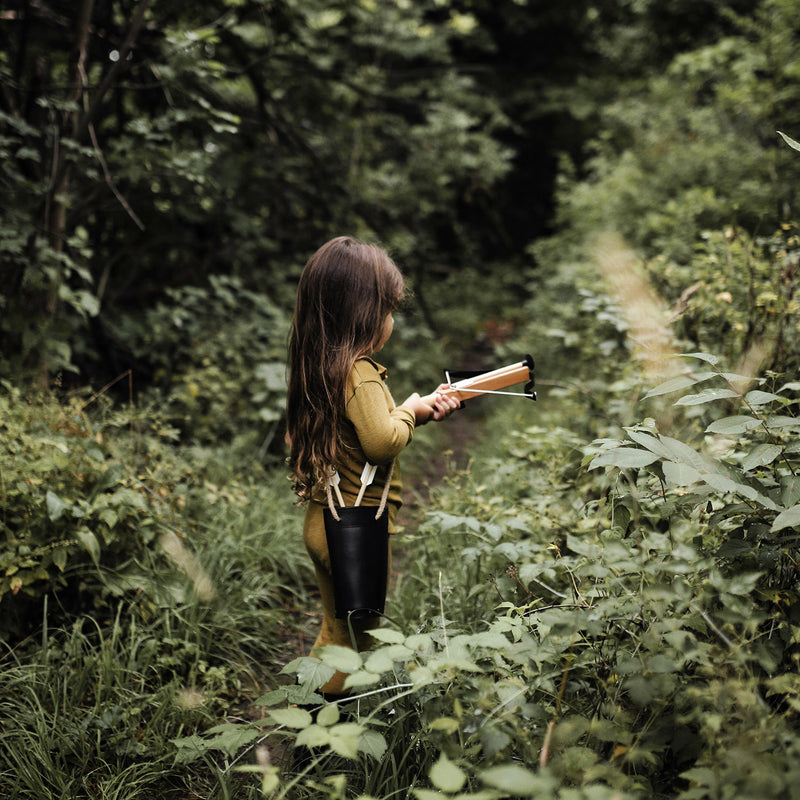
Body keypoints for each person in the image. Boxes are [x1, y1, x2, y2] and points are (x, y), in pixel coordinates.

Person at [286, 235, 459, 697]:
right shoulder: (359, 373)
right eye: (387, 309)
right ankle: (322, 735)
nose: (391, 320)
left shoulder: (318, 364)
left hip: (325, 518)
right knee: (356, 638)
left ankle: (307, 717)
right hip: (356, 526)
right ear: (362, 314)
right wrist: (412, 412)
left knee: (335, 628)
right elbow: (382, 443)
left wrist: (409, 409)